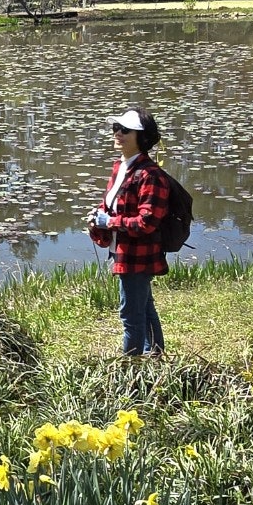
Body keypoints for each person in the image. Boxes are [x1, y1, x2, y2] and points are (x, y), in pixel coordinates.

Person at [87, 107, 171, 356]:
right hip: (122, 251)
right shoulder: (120, 168)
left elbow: (147, 222)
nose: (118, 133)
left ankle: (131, 372)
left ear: (141, 138)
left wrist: (109, 222)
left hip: (138, 256)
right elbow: (111, 205)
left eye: (125, 130)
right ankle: (154, 356)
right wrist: (98, 217)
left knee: (130, 316)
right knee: (143, 308)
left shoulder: (150, 175)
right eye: (116, 128)